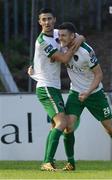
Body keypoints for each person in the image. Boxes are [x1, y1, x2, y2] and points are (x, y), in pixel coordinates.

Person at [54, 22, 112, 171]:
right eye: (59, 35)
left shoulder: (85, 51)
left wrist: (88, 92)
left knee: (109, 128)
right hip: (75, 92)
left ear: (72, 36)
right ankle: (71, 163)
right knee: (68, 127)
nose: (60, 38)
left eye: (63, 35)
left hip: (94, 93)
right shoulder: (60, 44)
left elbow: (99, 74)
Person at [28, 8, 84, 171]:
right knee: (62, 122)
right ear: (39, 22)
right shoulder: (42, 42)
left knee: (56, 125)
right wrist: (76, 42)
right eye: (43, 19)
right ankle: (47, 161)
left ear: (54, 20)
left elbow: (80, 36)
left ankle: (50, 161)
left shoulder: (59, 33)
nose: (47, 22)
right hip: (46, 87)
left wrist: (78, 38)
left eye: (49, 19)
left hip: (54, 87)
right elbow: (65, 58)